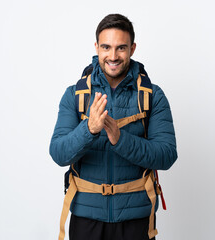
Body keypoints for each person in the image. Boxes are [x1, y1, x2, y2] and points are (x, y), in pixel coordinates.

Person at [49, 13, 178, 240]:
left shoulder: (153, 96)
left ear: (132, 48)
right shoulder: (75, 95)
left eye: (121, 48)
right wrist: (88, 129)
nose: (113, 55)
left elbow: (167, 155)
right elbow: (59, 154)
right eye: (106, 47)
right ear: (97, 47)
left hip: (136, 219)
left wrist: (120, 139)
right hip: (86, 219)